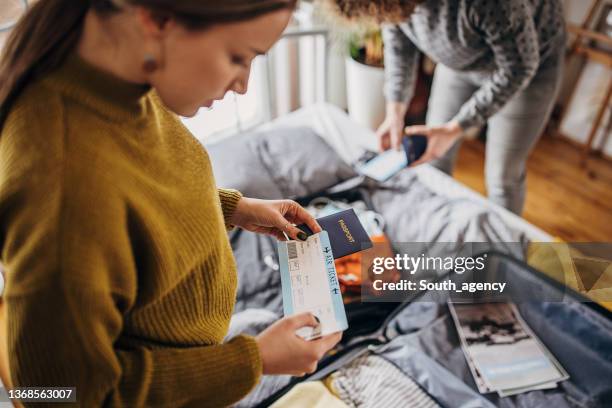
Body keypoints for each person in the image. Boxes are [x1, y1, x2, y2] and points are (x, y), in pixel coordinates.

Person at [0, 0, 342, 406]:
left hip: (193, 345)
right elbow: (63, 398)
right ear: (156, 19)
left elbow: (139, 192)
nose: (243, 85)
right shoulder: (63, 192)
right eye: (238, 57)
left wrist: (233, 208)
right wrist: (253, 360)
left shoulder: (121, 73)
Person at [327, 0, 566, 214]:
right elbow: (398, 40)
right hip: (461, 63)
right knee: (433, 159)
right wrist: (395, 111)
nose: (379, 21)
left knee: (502, 177)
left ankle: (506, 252)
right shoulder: (390, 6)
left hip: (527, 70)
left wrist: (456, 127)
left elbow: (518, 68)